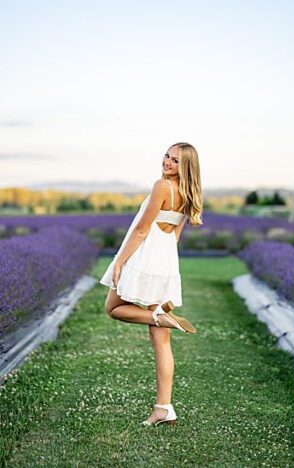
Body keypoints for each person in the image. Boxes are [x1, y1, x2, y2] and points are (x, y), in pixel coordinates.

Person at [100, 142, 204, 427]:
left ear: (185, 166)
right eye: (167, 156)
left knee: (113, 307)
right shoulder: (189, 194)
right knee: (161, 341)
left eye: (174, 160)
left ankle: (158, 316)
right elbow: (175, 236)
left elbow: (142, 229)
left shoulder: (162, 186)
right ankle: (164, 407)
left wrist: (120, 261)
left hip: (144, 257)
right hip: (166, 261)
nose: (167, 162)